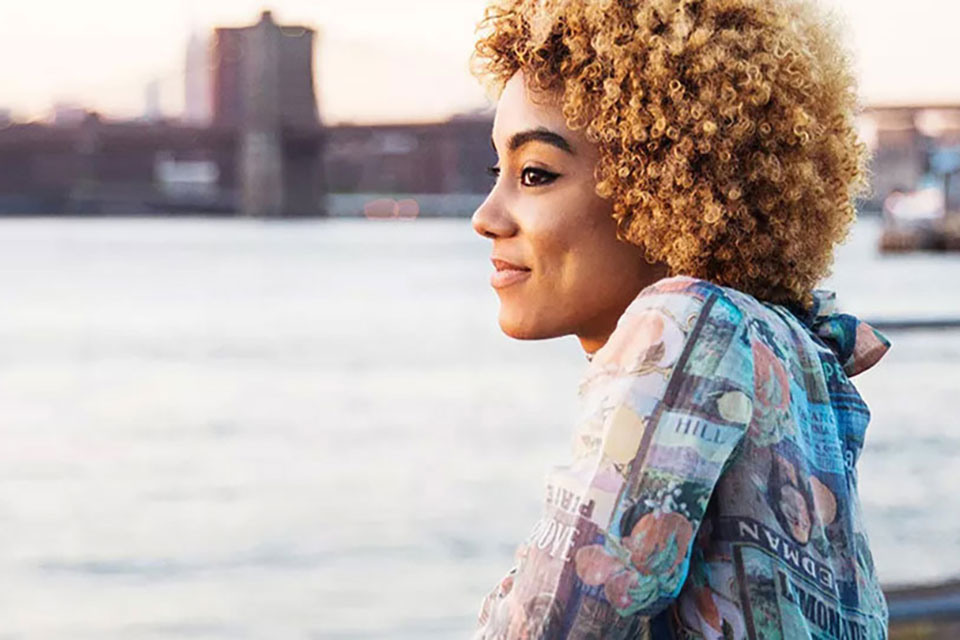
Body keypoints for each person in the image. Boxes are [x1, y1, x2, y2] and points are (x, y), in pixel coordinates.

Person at [468, 0, 891, 638]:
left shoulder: (687, 322)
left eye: (535, 174)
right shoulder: (793, 349)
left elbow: (560, 615)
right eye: (496, 171)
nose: (486, 215)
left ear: (664, 185)